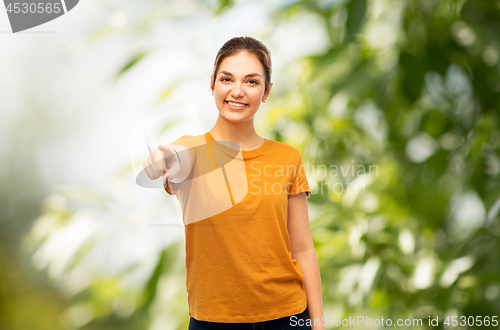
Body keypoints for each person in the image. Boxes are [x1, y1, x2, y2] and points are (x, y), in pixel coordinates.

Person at [143, 36, 325, 330]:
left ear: (266, 91)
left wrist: (318, 326)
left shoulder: (287, 159)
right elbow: (170, 159)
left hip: (288, 317)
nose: (237, 91)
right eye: (227, 79)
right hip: (213, 321)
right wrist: (161, 158)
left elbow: (303, 249)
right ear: (212, 84)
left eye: (251, 82)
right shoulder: (192, 152)